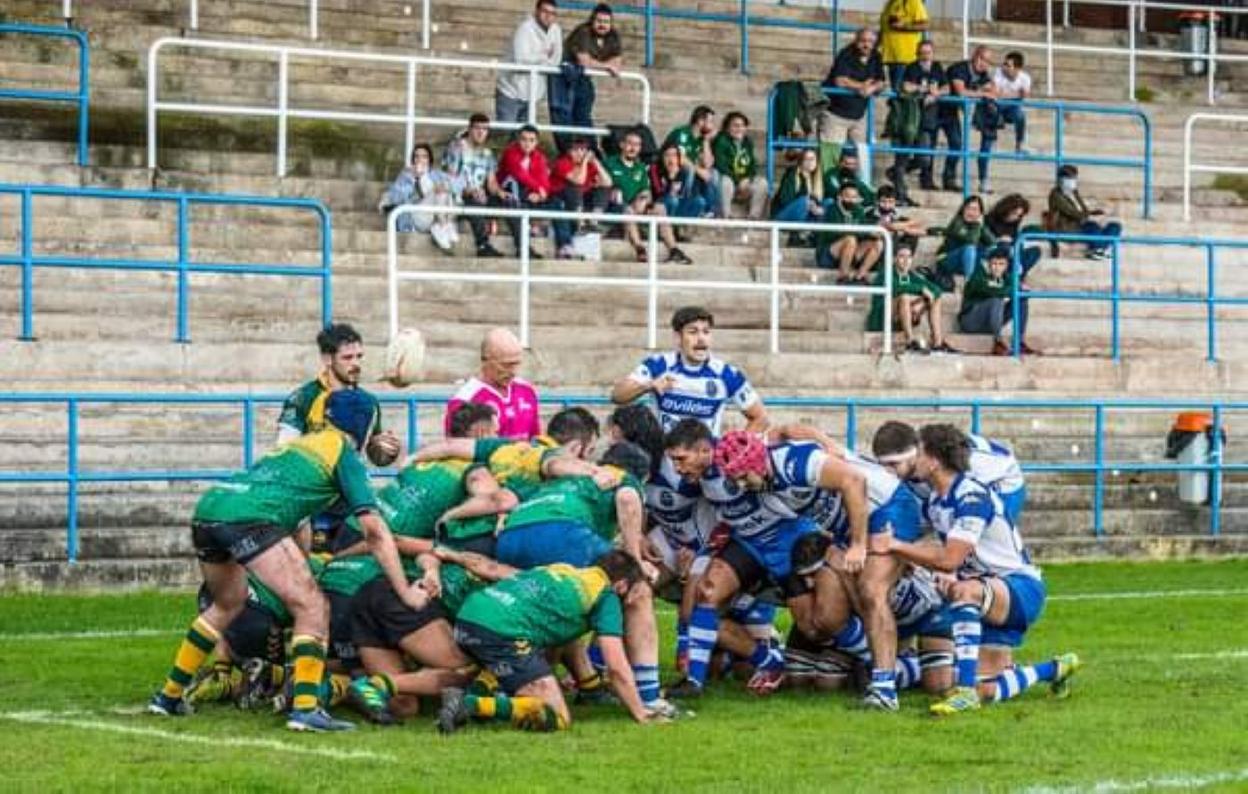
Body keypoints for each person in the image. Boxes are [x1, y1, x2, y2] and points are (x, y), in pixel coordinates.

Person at [148, 390, 418, 732]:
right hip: (251, 518)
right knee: (312, 607)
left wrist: (300, 562)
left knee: (228, 603)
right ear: (365, 427)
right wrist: (406, 592)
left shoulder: (300, 445)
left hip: (211, 508)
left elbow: (298, 521)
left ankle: (168, 697)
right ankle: (305, 710)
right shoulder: (343, 454)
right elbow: (375, 531)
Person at [662, 424, 872, 699]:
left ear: (703, 450)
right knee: (707, 594)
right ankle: (697, 681)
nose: (677, 468)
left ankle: (872, 658)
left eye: (681, 459)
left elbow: (785, 431)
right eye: (673, 461)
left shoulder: (740, 448)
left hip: (787, 538)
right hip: (748, 542)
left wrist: (826, 441)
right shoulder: (695, 477)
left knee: (814, 625)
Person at [888, 424, 1081, 715]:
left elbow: (950, 558)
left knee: (964, 591)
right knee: (987, 690)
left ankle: (964, 693)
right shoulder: (935, 502)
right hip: (990, 592)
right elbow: (954, 559)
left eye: (920, 452)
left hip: (1020, 586)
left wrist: (895, 546)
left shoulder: (971, 497)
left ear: (935, 460)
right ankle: (1054, 669)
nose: (914, 459)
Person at [437, 552, 665, 732]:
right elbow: (616, 667)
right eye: (636, 592)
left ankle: (474, 698)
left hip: (469, 617)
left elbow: (558, 640)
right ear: (622, 586)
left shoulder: (563, 570)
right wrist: (640, 713)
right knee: (557, 717)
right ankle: (469, 704)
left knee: (534, 648)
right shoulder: (607, 597)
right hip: (500, 630)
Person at [611, 305, 766, 434]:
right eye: (693, 332)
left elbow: (760, 418)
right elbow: (617, 396)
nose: (701, 338)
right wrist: (649, 385)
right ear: (678, 337)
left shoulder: (727, 374)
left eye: (706, 332)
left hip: (707, 468)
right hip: (662, 467)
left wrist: (735, 449)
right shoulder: (659, 365)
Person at [278, 323, 399, 467]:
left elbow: (376, 457)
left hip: (351, 484)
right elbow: (284, 451)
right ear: (327, 359)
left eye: (359, 356)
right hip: (313, 485)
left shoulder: (369, 402)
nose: (356, 364)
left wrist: (384, 450)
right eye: (347, 358)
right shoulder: (303, 397)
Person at [871, 419, 1027, 526]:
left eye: (893, 464)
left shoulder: (961, 461)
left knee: (982, 541)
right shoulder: (914, 465)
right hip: (964, 481)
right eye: (883, 465)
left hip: (1002, 482)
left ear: (913, 455)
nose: (888, 472)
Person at [604, 128, 691, 263]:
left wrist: (643, 199)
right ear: (622, 145)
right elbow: (603, 187)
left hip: (636, 206)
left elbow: (646, 191)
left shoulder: (640, 167)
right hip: (615, 207)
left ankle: (674, 249)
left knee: (660, 208)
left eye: (637, 145)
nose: (633, 148)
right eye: (630, 144)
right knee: (628, 210)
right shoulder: (609, 163)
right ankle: (640, 248)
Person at [444, 327, 542, 440]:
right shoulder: (464, 400)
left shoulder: (526, 391)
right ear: (485, 360)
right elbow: (455, 446)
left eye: (517, 364)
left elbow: (535, 438)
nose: (513, 371)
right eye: (506, 365)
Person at [495, 124, 574, 258]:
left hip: (530, 195)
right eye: (524, 139)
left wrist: (540, 195)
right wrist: (538, 189)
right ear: (518, 140)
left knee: (556, 202)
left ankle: (564, 245)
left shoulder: (539, 157)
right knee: (514, 197)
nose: (527, 143)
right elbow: (519, 174)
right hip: (508, 193)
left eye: (531, 140)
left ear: (536, 142)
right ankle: (523, 248)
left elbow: (545, 181)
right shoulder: (510, 153)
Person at [553, 3, 622, 150]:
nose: (602, 25)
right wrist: (606, 65)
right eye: (599, 21)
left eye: (606, 22)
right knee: (564, 118)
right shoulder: (583, 31)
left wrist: (604, 65)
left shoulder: (613, 35)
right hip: (564, 76)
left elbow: (617, 62)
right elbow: (583, 61)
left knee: (583, 116)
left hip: (583, 78)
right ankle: (566, 152)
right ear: (592, 20)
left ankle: (591, 151)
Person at [866, 241, 954, 354]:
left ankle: (937, 343)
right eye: (902, 256)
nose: (906, 260)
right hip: (881, 319)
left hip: (905, 316)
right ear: (894, 259)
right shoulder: (885, 274)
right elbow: (896, 288)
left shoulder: (911, 276)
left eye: (909, 257)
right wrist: (921, 290)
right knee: (904, 297)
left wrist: (921, 303)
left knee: (935, 298)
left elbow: (936, 290)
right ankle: (910, 341)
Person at [442, 112, 509, 258]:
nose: (481, 132)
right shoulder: (457, 147)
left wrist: (500, 192)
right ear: (469, 129)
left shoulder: (487, 153)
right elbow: (451, 178)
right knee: (474, 201)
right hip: (460, 197)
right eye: (477, 128)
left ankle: (523, 246)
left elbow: (491, 183)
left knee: (511, 202)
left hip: (480, 195)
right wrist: (469, 191)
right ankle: (482, 245)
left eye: (484, 129)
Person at [380, 142, 461, 253]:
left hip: (435, 215)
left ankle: (442, 225)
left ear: (429, 160)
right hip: (416, 218)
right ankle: (443, 225)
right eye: (417, 156)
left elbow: (459, 184)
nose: (420, 160)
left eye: (424, 156)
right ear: (413, 160)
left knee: (443, 190)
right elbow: (395, 197)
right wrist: (414, 179)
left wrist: (446, 185)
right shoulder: (406, 175)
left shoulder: (436, 174)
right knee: (439, 191)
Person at [960, 246, 1040, 356]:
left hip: (992, 321)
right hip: (971, 321)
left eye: (1001, 264)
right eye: (994, 264)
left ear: (1006, 266)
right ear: (988, 264)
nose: (997, 268)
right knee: (996, 300)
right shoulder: (978, 276)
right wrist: (1014, 289)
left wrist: (1018, 289)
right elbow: (994, 291)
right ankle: (998, 342)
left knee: (1021, 299)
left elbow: (1018, 289)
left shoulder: (1005, 278)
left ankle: (1019, 342)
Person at [817, 28, 886, 151]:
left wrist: (872, 88)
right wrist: (862, 86)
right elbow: (840, 80)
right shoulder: (846, 53)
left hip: (859, 116)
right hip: (835, 115)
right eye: (863, 41)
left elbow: (881, 81)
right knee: (830, 157)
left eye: (870, 41)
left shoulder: (876, 56)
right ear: (856, 40)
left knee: (863, 159)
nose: (866, 45)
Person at [899, 40, 953, 193]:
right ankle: (898, 172)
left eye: (928, 52)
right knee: (914, 152)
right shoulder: (911, 67)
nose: (925, 56)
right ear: (917, 53)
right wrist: (924, 89)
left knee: (927, 154)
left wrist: (936, 94)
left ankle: (924, 179)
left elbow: (947, 88)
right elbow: (905, 86)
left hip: (930, 118)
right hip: (912, 117)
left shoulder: (937, 67)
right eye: (922, 53)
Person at [496, 0, 562, 125]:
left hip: (534, 93)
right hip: (511, 90)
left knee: (523, 136)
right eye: (545, 11)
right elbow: (521, 59)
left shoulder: (556, 30)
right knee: (505, 133)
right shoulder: (524, 28)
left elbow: (555, 60)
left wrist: (539, 59)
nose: (548, 16)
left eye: (553, 13)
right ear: (537, 11)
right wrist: (544, 56)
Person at [945, 46, 999, 195]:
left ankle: (949, 180)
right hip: (941, 108)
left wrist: (986, 92)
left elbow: (994, 91)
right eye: (982, 58)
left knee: (956, 144)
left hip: (956, 110)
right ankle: (925, 177)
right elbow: (961, 91)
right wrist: (983, 93)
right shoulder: (959, 68)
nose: (984, 64)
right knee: (926, 147)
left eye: (988, 61)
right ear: (974, 56)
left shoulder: (983, 73)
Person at [1047, 164, 1123, 261]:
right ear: (1061, 179)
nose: (1072, 181)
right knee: (1093, 226)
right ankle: (1097, 249)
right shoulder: (1056, 195)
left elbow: (1083, 209)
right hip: (1068, 229)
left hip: (1082, 224)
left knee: (1115, 226)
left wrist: (1096, 213)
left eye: (1074, 178)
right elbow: (1073, 213)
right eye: (1069, 178)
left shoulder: (1074, 192)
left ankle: (1098, 249)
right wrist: (1091, 216)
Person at [817, 182, 881, 283]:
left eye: (854, 197)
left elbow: (863, 230)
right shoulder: (832, 210)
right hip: (828, 255)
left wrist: (872, 234)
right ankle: (843, 277)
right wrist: (861, 232)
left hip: (852, 251)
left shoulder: (859, 210)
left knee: (878, 243)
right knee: (850, 239)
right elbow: (833, 234)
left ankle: (860, 276)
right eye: (847, 196)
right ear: (839, 197)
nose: (851, 200)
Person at [664, 105, 721, 216]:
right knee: (689, 169)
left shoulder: (701, 139)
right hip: (672, 172)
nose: (713, 125)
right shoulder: (682, 133)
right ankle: (686, 202)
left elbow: (708, 164)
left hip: (692, 175)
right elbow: (680, 158)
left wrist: (706, 141)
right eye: (710, 121)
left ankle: (709, 211)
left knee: (714, 173)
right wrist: (699, 170)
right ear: (700, 121)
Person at [712, 111, 769, 220]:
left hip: (743, 183)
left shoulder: (747, 142)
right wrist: (738, 181)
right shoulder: (721, 140)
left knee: (762, 183)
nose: (739, 129)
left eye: (742, 126)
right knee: (725, 181)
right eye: (735, 125)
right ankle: (726, 215)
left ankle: (753, 217)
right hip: (728, 184)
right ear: (727, 127)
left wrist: (749, 178)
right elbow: (721, 165)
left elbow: (752, 164)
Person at [934, 194, 996, 287]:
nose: (971, 212)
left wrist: (981, 225)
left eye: (975, 209)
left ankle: (999, 280)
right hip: (948, 260)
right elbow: (971, 240)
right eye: (968, 208)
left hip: (968, 262)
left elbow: (992, 242)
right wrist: (977, 225)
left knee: (995, 250)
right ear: (963, 209)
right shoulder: (957, 222)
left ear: (980, 213)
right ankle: (969, 283)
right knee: (970, 248)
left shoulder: (978, 225)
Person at [550, 135, 612, 226]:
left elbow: (608, 182)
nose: (579, 153)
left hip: (582, 199)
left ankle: (594, 221)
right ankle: (580, 224)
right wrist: (585, 162)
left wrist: (596, 162)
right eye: (575, 150)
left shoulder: (590, 164)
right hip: (561, 198)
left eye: (583, 150)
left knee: (603, 188)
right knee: (574, 187)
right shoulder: (562, 163)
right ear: (568, 152)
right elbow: (579, 181)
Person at [985, 193, 1042, 279]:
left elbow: (1015, 239)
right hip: (995, 250)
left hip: (1012, 252)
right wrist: (998, 240)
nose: (1015, 217)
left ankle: (1017, 276)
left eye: (1019, 215)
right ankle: (1016, 277)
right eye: (1014, 213)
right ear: (1007, 209)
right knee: (1006, 246)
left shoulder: (1014, 223)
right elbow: (984, 239)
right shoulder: (989, 219)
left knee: (1035, 251)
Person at [650, 142, 707, 221]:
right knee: (673, 200)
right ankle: (671, 225)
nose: (671, 159)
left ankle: (683, 224)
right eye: (667, 155)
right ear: (662, 157)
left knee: (700, 201)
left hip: (682, 202)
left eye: (674, 155)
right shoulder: (655, 169)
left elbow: (691, 192)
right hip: (664, 202)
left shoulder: (685, 171)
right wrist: (671, 179)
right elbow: (657, 192)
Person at [880, 0, 930, 90]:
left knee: (902, 94)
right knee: (895, 93)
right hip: (890, 57)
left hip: (906, 58)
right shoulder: (890, 3)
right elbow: (884, 29)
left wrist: (903, 26)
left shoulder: (912, 2)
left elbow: (924, 25)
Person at [992, 51, 1031, 154]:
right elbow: (995, 93)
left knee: (1020, 115)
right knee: (991, 107)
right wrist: (1015, 94)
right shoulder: (998, 72)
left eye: (1008, 65)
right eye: (1004, 64)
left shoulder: (1025, 78)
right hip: (999, 105)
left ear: (1017, 68)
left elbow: (1025, 95)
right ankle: (992, 141)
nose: (1004, 67)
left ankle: (1019, 145)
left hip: (1013, 107)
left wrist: (1005, 95)